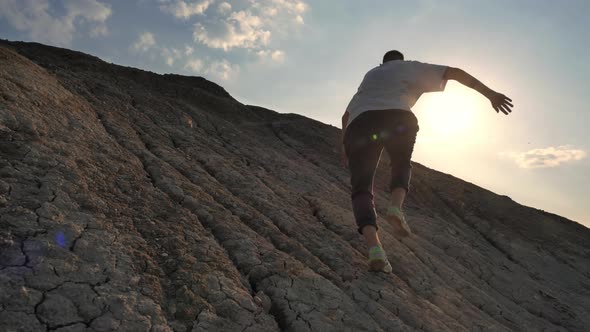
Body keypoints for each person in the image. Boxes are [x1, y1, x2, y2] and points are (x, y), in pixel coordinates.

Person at [341, 50, 513, 272]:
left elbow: (346, 116)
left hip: (360, 124)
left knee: (361, 189)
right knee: (401, 162)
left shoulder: (370, 76)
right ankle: (395, 208)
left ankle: (375, 249)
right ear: (400, 60)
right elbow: (455, 72)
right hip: (397, 117)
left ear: (381, 63)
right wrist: (491, 94)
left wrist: (344, 147)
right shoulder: (409, 67)